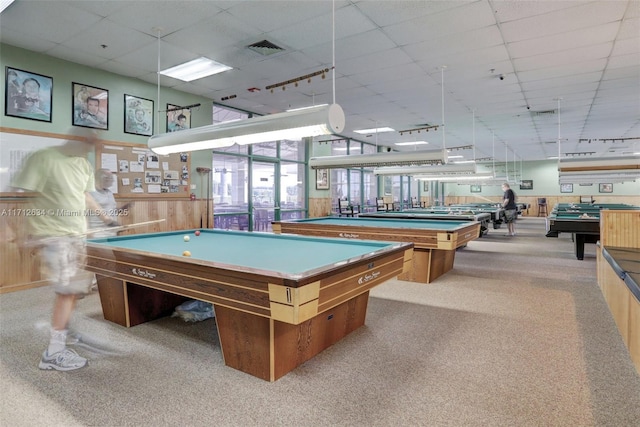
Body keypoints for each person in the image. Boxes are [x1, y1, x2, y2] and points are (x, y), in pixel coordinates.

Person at [10, 127, 117, 371]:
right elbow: (21, 195)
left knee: (76, 290)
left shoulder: (83, 164)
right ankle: (53, 353)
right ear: (73, 138)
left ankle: (63, 331)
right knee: (68, 291)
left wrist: (106, 218)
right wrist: (18, 232)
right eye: (87, 143)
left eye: (92, 145)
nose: (89, 148)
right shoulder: (43, 157)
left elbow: (84, 196)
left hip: (76, 235)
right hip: (53, 234)